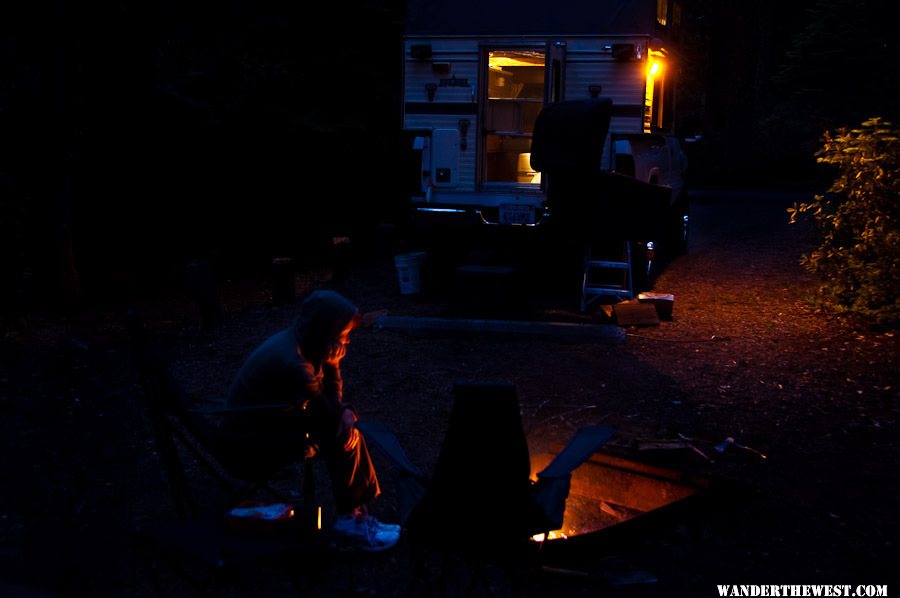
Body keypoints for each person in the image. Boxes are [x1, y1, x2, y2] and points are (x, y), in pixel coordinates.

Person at [225, 289, 400, 551]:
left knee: (345, 428)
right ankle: (351, 521)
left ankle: (355, 514)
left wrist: (335, 377)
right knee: (343, 436)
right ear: (325, 331)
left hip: (272, 421)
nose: (348, 342)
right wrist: (342, 410)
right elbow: (324, 407)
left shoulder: (303, 342)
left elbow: (331, 402)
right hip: (250, 442)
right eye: (343, 335)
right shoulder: (292, 359)